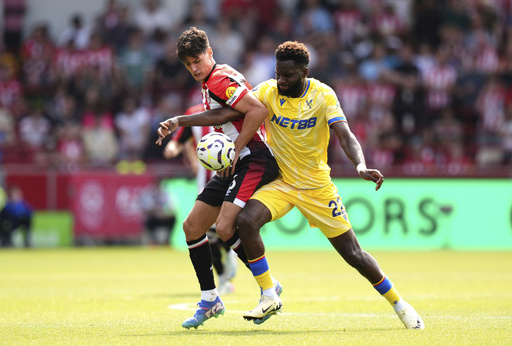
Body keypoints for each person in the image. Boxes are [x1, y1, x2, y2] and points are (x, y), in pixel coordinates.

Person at [165, 41, 425, 329]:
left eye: (287, 75)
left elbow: (345, 134)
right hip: (282, 182)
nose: (281, 80)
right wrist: (182, 121)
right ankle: (268, 293)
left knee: (354, 255)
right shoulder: (268, 91)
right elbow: (233, 112)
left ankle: (400, 304)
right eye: (278, 73)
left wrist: (360, 165)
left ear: (305, 72)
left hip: (316, 187)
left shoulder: (323, 95)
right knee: (247, 220)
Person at [155, 27, 281, 329]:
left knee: (225, 226)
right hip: (235, 162)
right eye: (188, 64)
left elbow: (257, 110)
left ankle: (268, 288)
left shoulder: (220, 78)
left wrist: (235, 149)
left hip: (254, 158)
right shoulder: (212, 80)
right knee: (192, 227)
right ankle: (210, 299)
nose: (194, 68)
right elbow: (222, 115)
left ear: (210, 52)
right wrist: (178, 121)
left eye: (198, 60)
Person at [163, 103, 238, 294]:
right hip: (205, 183)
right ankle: (223, 279)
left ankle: (230, 252)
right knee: (207, 233)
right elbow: (180, 140)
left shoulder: (234, 108)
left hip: (231, 178)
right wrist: (172, 148)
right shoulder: (193, 114)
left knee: (223, 227)